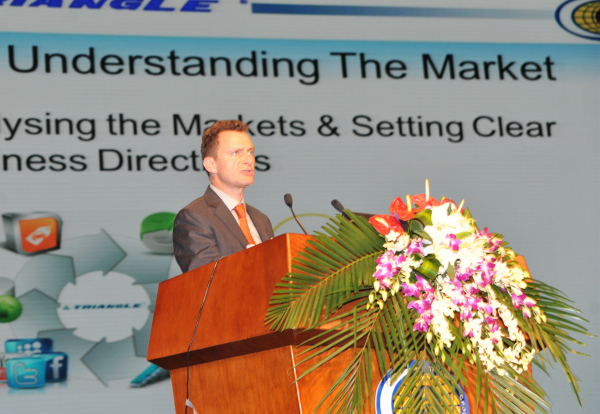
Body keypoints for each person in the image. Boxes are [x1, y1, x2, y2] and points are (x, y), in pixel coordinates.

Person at [173, 120, 274, 273]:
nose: (249, 160)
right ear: (211, 164)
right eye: (236, 153)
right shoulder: (194, 217)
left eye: (250, 152)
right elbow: (207, 277)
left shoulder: (261, 219)